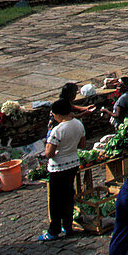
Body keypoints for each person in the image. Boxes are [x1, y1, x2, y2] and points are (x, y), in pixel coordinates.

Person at [38, 98, 86, 241]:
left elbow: (49, 153)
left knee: (56, 200)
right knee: (68, 196)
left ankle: (54, 230)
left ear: (58, 115)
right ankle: (67, 225)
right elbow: (82, 144)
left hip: (58, 167)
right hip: (73, 163)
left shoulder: (57, 130)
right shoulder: (78, 124)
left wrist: (48, 141)